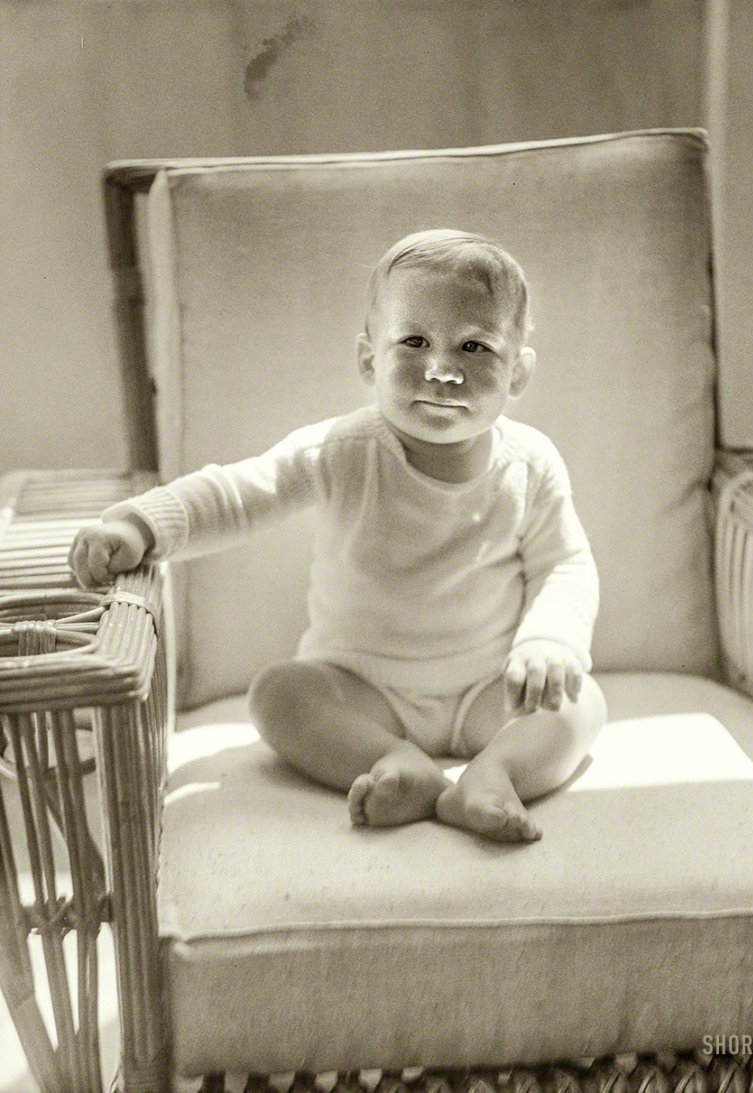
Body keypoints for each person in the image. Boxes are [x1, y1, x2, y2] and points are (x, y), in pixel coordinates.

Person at [69, 228, 606, 843]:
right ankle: (393, 762)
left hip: (491, 688)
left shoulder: (531, 463)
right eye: (414, 340)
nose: (442, 369)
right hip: (361, 688)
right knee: (278, 694)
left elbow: (566, 564)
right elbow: (239, 493)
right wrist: (141, 524)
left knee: (580, 703)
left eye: (475, 346)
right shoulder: (341, 451)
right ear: (369, 359)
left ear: (519, 373)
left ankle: (493, 775)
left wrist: (551, 641)